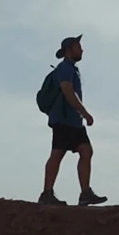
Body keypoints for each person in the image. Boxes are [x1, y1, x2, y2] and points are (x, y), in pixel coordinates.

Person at [41, 35, 108, 206]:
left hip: (73, 121)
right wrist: (84, 112)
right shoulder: (64, 68)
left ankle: (85, 193)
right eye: (78, 47)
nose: (82, 50)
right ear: (69, 50)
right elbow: (68, 91)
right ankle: (47, 193)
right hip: (63, 118)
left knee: (86, 151)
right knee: (58, 153)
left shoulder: (71, 69)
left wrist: (80, 115)